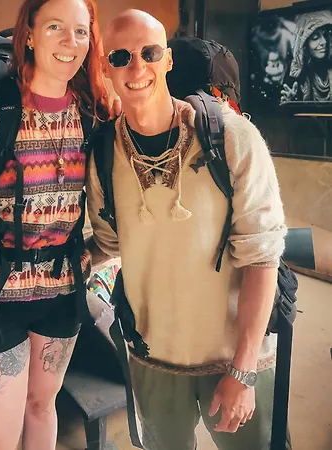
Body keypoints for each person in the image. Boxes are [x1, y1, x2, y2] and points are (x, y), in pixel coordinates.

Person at [86, 9, 288, 450]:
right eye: (120, 57)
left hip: (233, 358)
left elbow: (262, 257)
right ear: (104, 68)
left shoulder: (231, 137)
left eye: (149, 53)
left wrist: (243, 372)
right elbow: (110, 243)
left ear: (168, 61)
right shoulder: (102, 154)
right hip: (153, 358)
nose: (136, 68)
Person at [0, 0, 109, 448]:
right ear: (29, 34)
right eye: (55, 27)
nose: (69, 41)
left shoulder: (91, 112)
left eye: (80, 31)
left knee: (41, 405)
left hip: (63, 291)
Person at [281, 10, 332, 103]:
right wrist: (291, 102)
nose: (324, 42)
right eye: (315, 37)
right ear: (303, 44)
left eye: (325, 35)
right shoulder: (294, 76)